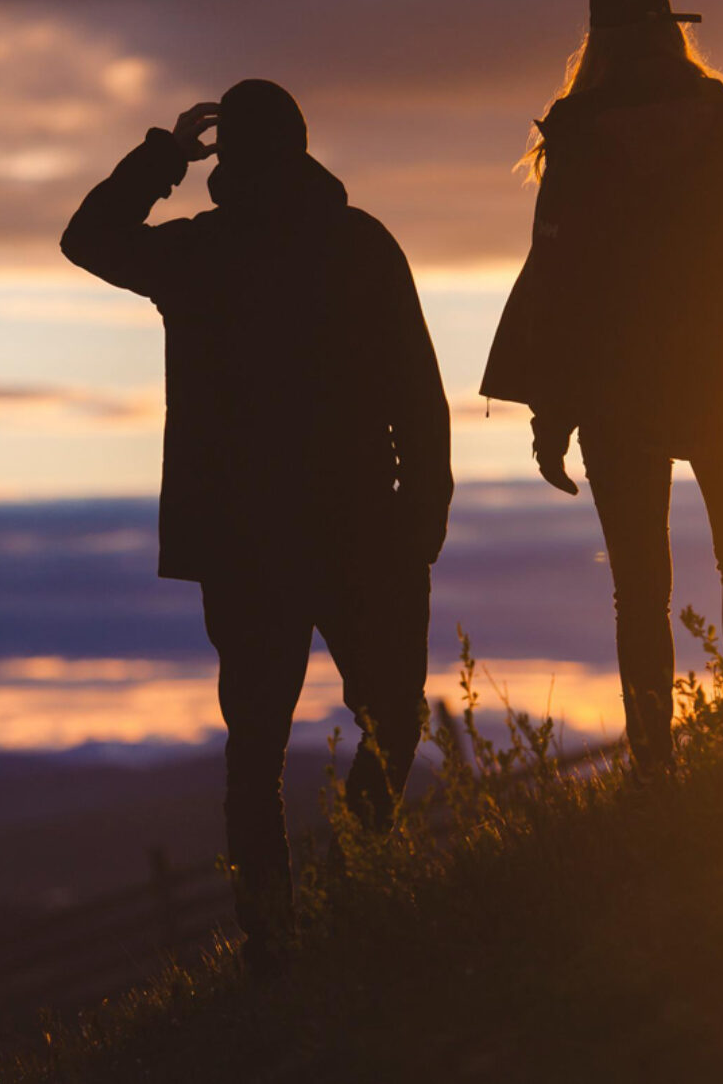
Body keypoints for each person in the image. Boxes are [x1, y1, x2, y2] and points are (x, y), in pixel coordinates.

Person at [61, 80, 453, 965]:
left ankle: (276, 931)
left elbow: (86, 238)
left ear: (225, 158)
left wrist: (166, 155)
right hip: (360, 523)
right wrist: (423, 513)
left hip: (248, 539)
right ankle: (347, 890)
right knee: (390, 714)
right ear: (306, 146)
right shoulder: (359, 243)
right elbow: (418, 393)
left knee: (259, 743)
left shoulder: (201, 253)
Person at [480, 0, 723, 780]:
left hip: (615, 395)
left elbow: (558, 288)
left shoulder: (578, 144)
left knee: (640, 587)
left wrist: (550, 415)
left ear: (597, 46)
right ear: (673, 33)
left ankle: (655, 763)